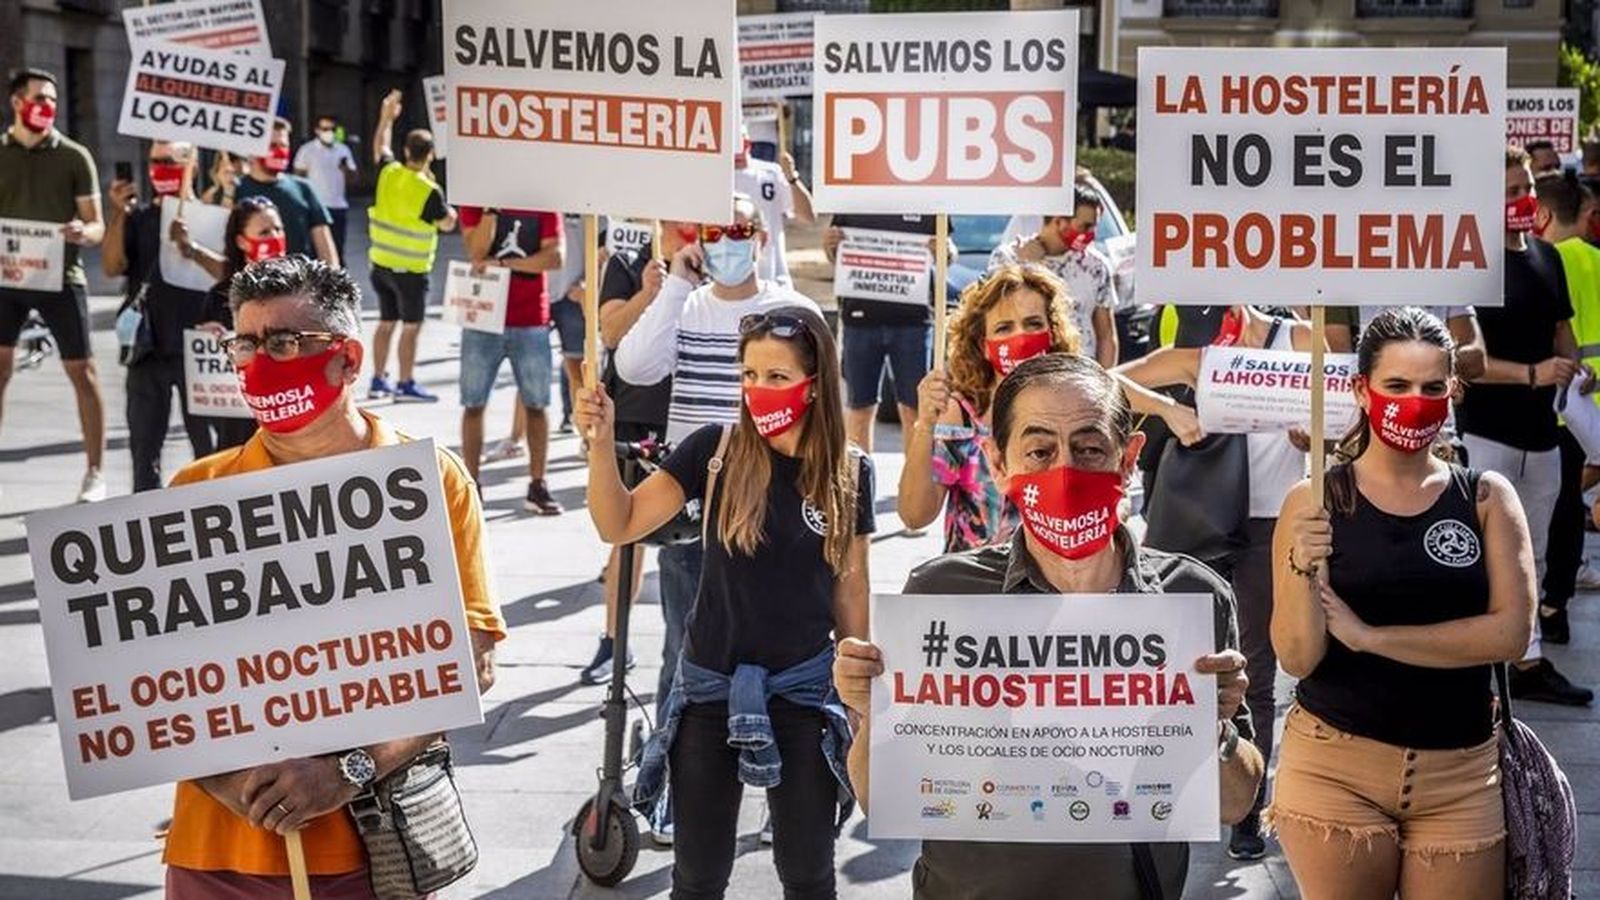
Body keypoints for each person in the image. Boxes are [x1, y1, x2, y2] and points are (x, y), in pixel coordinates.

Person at [836, 353, 1263, 900]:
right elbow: (880, 794)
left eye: (1089, 449)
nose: (1065, 471)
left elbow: (1235, 801)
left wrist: (1215, 728)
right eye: (1039, 450)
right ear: (997, 462)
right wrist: (875, 716)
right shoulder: (940, 596)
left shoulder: (1192, 595)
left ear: (1128, 458)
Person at [160, 255, 504, 897]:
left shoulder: (429, 481)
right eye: (246, 342)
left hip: (365, 856)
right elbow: (148, 687)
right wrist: (235, 787)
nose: (260, 359)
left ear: (347, 358)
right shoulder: (195, 491)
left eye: (286, 341)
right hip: (213, 855)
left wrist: (346, 771)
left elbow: (469, 663)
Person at [579, 304, 870, 900]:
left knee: (809, 873)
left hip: (805, 693)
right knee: (698, 877)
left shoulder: (849, 471)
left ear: (814, 386)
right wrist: (600, 443)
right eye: (748, 375)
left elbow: (851, 584)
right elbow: (620, 522)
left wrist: (860, 698)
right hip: (709, 689)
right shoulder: (713, 450)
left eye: (777, 377)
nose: (758, 390)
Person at [1269, 307, 1535, 900]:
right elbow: (1297, 656)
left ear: (1453, 391)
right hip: (1335, 768)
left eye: (1431, 388)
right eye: (1396, 386)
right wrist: (1299, 565)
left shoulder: (1486, 498)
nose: (1415, 401)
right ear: (1362, 391)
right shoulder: (1313, 501)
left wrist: (1372, 638)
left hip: (1461, 777)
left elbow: (1510, 636)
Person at [612, 195, 820, 842]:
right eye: (711, 232)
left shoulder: (795, 312)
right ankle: (674, 786)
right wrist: (674, 281)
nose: (725, 242)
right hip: (696, 505)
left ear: (760, 236)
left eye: (737, 230)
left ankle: (783, 789)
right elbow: (634, 365)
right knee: (686, 648)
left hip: (778, 512)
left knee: (785, 651)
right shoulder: (688, 305)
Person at [1114, 303, 1319, 859]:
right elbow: (1103, 382)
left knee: (1257, 663)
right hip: (1200, 517)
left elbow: (1350, 408)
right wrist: (1169, 412)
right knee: (1173, 657)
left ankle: (1249, 811)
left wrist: (1315, 434)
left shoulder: (1299, 338)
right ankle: (1160, 787)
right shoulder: (1200, 353)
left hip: (1272, 523)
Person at [897, 264, 1200, 553]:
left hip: (1062, 590)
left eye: (1033, 324)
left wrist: (1167, 409)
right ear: (982, 344)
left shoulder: (1078, 403)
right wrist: (924, 425)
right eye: (1004, 328)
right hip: (979, 594)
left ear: (1052, 331)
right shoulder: (961, 413)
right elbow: (915, 516)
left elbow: (1108, 385)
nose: (1021, 338)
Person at [1456, 147, 1593, 706]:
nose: (1522, 199)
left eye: (1527, 187)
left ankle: (1526, 658)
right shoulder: (1473, 262)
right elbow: (1472, 360)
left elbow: (1562, 328)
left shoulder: (1545, 256)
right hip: (1488, 430)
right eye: (1510, 192)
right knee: (1485, 552)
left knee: (1531, 553)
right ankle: (1479, 662)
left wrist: (1571, 362)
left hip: (1543, 431)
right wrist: (1533, 373)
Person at [577, 219, 697, 686]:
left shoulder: (704, 269)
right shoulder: (629, 265)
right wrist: (650, 293)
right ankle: (614, 640)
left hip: (681, 421)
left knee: (683, 547)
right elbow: (609, 332)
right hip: (630, 418)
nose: (684, 230)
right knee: (625, 538)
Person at [101, 139, 237, 490]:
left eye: (171, 161)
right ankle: (148, 527)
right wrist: (118, 211)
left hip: (199, 349)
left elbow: (231, 274)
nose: (161, 168)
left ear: (191, 162)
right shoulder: (139, 217)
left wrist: (191, 249)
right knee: (145, 448)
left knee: (209, 450)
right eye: (155, 161)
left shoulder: (213, 217)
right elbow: (113, 266)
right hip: (148, 350)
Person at [0, 67, 108, 502]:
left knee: (82, 370)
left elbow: (98, 224)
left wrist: (85, 233)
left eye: (53, 99)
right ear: (16, 102)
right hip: (7, 276)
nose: (47, 106)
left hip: (61, 276)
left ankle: (95, 473)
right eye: (39, 98)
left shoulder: (74, 156)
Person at [457, 203, 564, 514]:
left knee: (537, 404)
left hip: (530, 318)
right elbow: (476, 254)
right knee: (473, 403)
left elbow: (555, 257)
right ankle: (471, 483)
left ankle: (538, 484)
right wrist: (491, 212)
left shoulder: (540, 202)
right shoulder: (474, 201)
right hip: (483, 318)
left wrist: (503, 263)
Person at [1534, 171, 1600, 641]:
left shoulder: (1543, 260)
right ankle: (1558, 602)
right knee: (1572, 509)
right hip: (1588, 403)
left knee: (1551, 509)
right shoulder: (1595, 260)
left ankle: (1545, 608)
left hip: (1551, 403)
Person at [365, 90, 457, 403]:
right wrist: (450, 212)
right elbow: (447, 223)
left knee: (386, 323)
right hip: (412, 272)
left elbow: (381, 145)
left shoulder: (388, 173)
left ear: (406, 151)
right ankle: (405, 382)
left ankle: (378, 379)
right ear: (430, 154)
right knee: (410, 327)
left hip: (381, 266)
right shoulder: (429, 190)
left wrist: (385, 118)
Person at [823, 212, 937, 452]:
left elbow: (947, 251)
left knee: (914, 411)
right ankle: (859, 486)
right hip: (860, 320)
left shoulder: (927, 196)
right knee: (860, 409)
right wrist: (830, 245)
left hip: (913, 322)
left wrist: (945, 251)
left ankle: (911, 487)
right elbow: (836, 252)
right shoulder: (855, 198)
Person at [989, 183, 1120, 368]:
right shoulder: (1007, 258)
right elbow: (995, 319)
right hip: (1028, 371)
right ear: (1060, 221)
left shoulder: (1096, 266)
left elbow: (1106, 334)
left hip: (1080, 374)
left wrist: (1106, 382)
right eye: (1085, 226)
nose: (1091, 234)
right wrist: (1027, 265)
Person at [232, 118, 339, 266]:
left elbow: (324, 244)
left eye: (284, 145)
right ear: (254, 149)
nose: (280, 151)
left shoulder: (303, 188)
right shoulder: (235, 189)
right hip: (253, 285)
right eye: (273, 145)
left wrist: (333, 282)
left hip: (300, 284)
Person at [734, 122, 814, 287]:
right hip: (732, 283)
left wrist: (792, 178)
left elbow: (808, 216)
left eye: (741, 142)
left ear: (748, 143)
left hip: (774, 277)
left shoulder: (772, 172)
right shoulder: (713, 176)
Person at [293, 114, 358, 262]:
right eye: (325, 128)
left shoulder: (343, 150)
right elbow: (298, 177)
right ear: (317, 130)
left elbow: (354, 178)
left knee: (337, 251)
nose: (329, 132)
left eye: (333, 129)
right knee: (314, 253)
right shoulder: (307, 150)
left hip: (337, 207)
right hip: (314, 208)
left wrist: (346, 169)